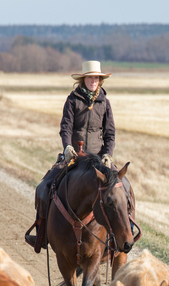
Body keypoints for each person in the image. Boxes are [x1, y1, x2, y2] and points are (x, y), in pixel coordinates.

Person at [26, 61, 115, 252]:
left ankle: (125, 232)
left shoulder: (105, 103)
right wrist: (67, 147)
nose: (94, 81)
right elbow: (65, 128)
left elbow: (110, 134)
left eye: (97, 78)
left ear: (100, 81)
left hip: (99, 159)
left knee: (122, 188)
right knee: (43, 187)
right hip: (74, 157)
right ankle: (42, 234)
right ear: (84, 79)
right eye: (91, 77)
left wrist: (108, 154)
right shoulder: (72, 100)